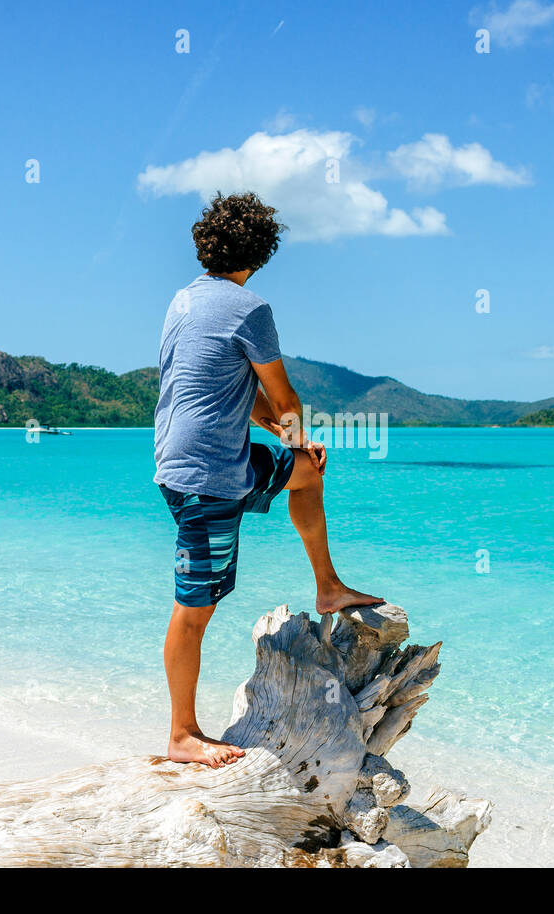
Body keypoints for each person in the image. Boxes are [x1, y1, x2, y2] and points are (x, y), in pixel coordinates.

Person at [153, 191, 383, 768]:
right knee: (194, 606)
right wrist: (297, 429)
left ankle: (328, 586)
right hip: (206, 476)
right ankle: (182, 734)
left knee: (305, 474)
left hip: (204, 461)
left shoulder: (184, 299)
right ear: (261, 251)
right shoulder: (249, 307)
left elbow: (238, 393)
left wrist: (294, 447)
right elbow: (282, 397)